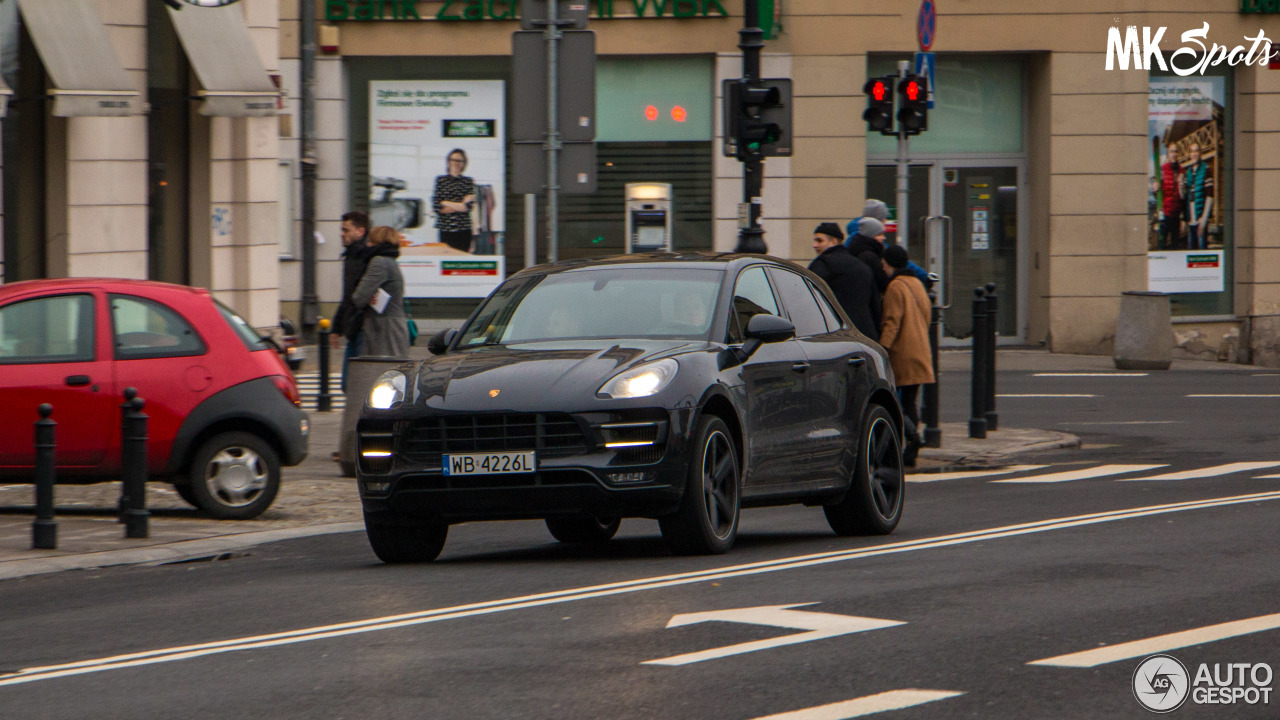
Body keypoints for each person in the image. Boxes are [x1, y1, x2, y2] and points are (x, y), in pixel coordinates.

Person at [879, 244, 934, 466]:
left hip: (903, 352)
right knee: (910, 401)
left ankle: (912, 439)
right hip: (921, 349)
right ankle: (912, 446)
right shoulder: (917, 284)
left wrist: (881, 349)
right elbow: (927, 315)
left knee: (898, 402)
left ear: (889, 264)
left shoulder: (895, 286)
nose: (882, 268)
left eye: (883, 264)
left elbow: (892, 322)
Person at [808, 222, 880, 341]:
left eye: (819, 241)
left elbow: (809, 299)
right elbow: (875, 306)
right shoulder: (862, 266)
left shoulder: (823, 264)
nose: (814, 245)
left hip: (836, 336)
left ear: (834, 241)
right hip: (866, 336)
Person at [352, 226, 411, 358]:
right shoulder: (391, 262)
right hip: (392, 325)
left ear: (378, 242)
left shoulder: (379, 262)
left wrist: (367, 297)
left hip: (384, 328)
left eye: (370, 241)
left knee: (382, 371)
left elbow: (359, 298)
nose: (367, 244)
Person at [332, 211, 371, 393]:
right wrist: (336, 327)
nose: (342, 233)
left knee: (354, 384)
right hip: (353, 328)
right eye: (342, 230)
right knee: (349, 385)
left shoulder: (365, 257)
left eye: (346, 230)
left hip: (362, 328)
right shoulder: (351, 256)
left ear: (360, 231)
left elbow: (360, 296)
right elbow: (347, 295)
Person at [432, 148, 477, 252]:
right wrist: (461, 204)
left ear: (464, 164)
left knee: (463, 261)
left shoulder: (468, 181)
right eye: (453, 160)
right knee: (446, 261)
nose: (456, 163)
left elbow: (469, 207)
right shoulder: (440, 180)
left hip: (464, 230)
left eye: (460, 161)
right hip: (445, 229)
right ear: (448, 161)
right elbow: (437, 207)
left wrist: (445, 202)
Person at [847, 216, 892, 293]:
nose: (883, 238)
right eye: (880, 234)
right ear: (870, 235)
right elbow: (884, 282)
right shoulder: (870, 257)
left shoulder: (856, 250)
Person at [1182, 142, 1213, 250]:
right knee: (1191, 253)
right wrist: (1184, 219)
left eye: (1196, 151)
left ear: (1200, 153)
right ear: (1189, 154)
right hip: (1191, 221)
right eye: (1192, 151)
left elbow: (1210, 196)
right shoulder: (1188, 172)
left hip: (1200, 220)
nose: (1194, 154)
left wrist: (1203, 220)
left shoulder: (1206, 169)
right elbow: (1185, 197)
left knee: (1202, 253)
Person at [1157, 143, 1185, 250]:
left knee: (1174, 247)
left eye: (1175, 151)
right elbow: (1158, 194)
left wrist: (1182, 218)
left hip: (1176, 216)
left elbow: (1183, 197)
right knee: (1162, 246)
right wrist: (1156, 188)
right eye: (1171, 152)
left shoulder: (1181, 170)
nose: (1174, 154)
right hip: (1165, 215)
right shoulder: (1163, 169)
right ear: (1168, 154)